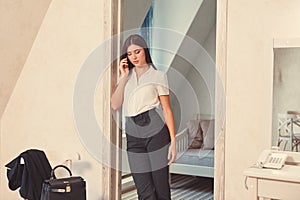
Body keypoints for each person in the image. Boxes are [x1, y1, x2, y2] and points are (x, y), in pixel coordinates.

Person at [111, 34, 176, 200]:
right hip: (133, 134)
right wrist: (123, 77)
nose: (134, 57)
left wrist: (173, 142)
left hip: (155, 131)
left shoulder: (158, 76)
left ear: (145, 50)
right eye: (130, 54)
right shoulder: (126, 77)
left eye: (137, 52)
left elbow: (167, 109)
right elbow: (115, 104)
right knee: (144, 190)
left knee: (161, 188)